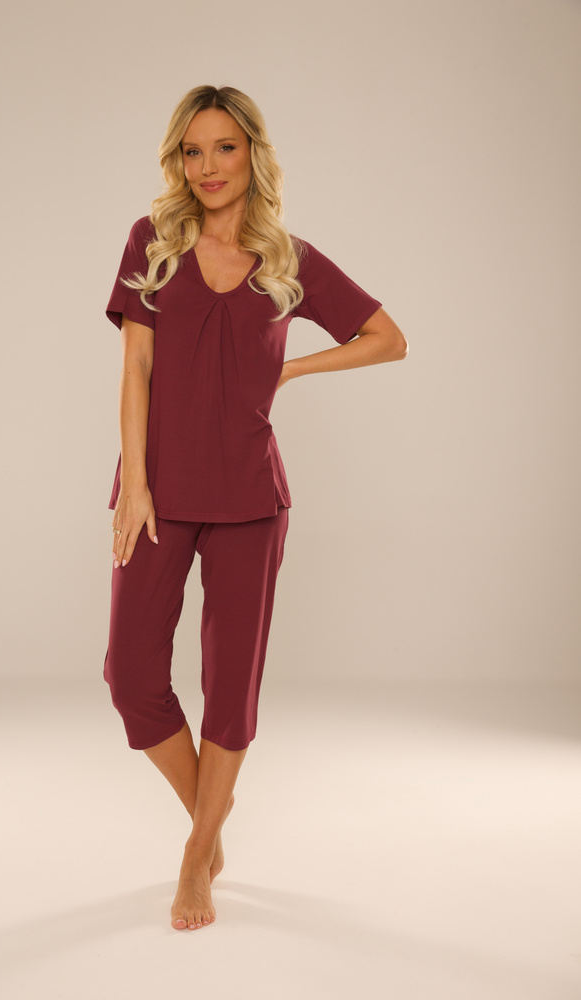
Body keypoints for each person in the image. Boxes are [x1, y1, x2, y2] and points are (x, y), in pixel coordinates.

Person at [102, 84, 408, 933]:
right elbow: (134, 368)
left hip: (249, 497)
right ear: (178, 159)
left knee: (229, 686)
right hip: (157, 493)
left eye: (225, 148)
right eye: (192, 150)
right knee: (131, 677)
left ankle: (196, 857)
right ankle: (212, 816)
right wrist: (135, 482)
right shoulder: (152, 242)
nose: (208, 166)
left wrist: (292, 369)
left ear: (252, 154)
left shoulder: (288, 259)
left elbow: (388, 338)